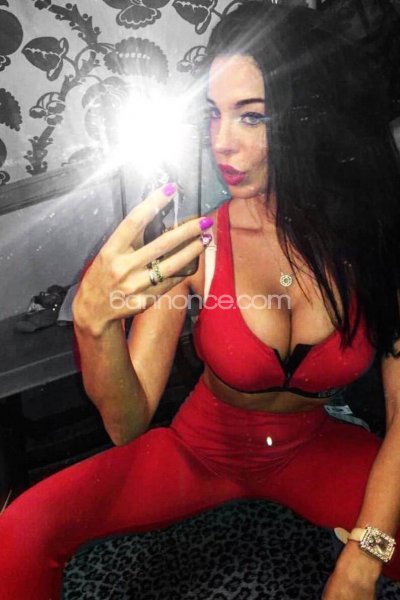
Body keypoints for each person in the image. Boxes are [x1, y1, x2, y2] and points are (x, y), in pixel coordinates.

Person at [1, 1, 400, 598]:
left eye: (252, 117)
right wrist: (92, 324)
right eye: (213, 114)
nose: (221, 144)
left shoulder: (372, 237)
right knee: (17, 535)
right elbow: (128, 423)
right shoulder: (197, 243)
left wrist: (362, 561)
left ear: (308, 117)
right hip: (201, 450)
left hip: (316, 449)